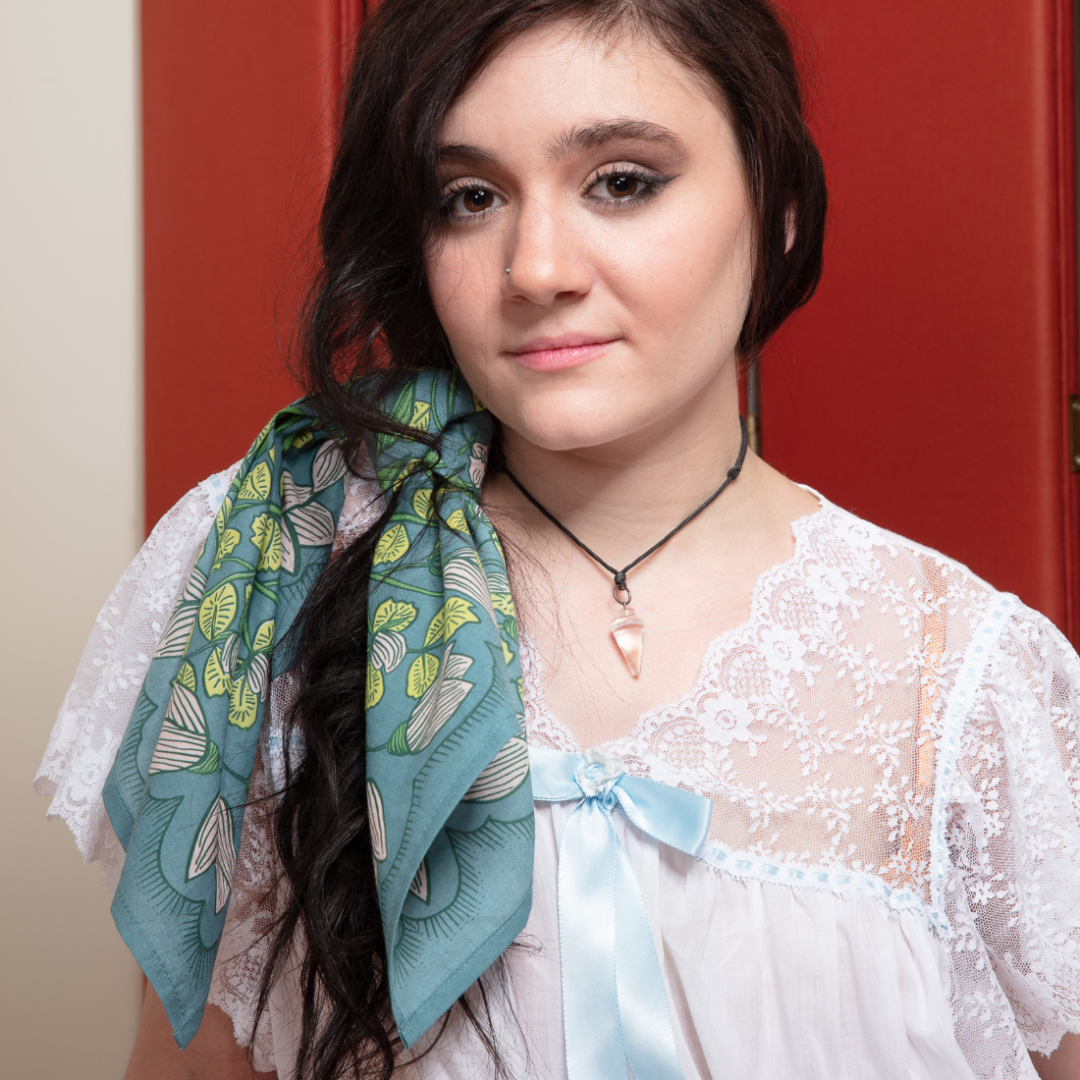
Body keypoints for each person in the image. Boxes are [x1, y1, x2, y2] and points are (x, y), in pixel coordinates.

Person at [35, 0, 1080, 1077]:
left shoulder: (965, 682)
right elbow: (204, 1054)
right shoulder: (283, 555)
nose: (536, 269)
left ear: (775, 208)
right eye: (471, 197)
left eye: (621, 181)